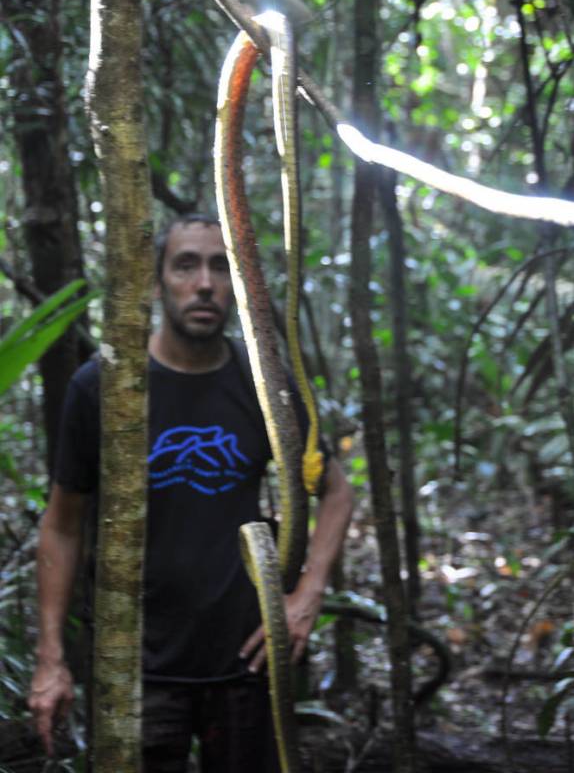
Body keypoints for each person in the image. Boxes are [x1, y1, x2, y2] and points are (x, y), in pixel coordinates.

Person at [28, 213, 353, 772]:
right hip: (135, 667)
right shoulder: (103, 387)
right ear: (157, 282)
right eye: (186, 265)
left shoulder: (265, 385)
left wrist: (307, 597)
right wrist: (51, 657)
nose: (205, 283)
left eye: (221, 267)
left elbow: (336, 492)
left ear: (238, 285)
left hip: (248, 660)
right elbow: (61, 524)